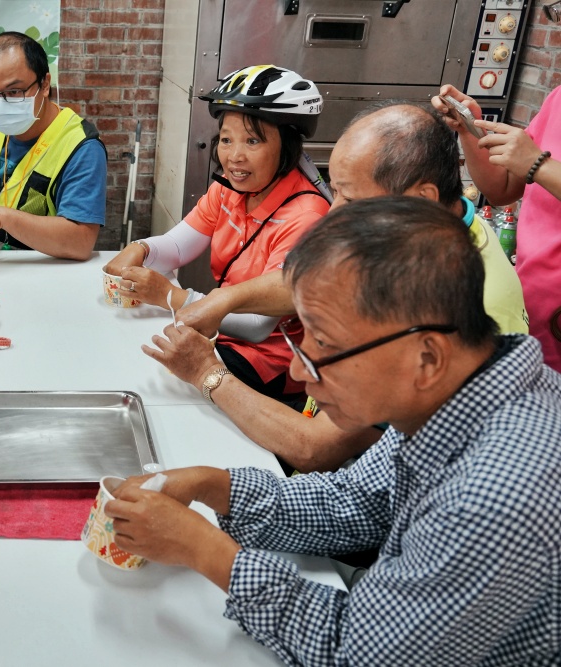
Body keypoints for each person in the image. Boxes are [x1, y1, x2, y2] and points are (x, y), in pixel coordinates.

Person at [106, 196, 561, 665]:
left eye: (325, 348)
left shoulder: (501, 490)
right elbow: (353, 501)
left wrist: (203, 549)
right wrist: (212, 486)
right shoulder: (454, 393)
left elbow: (358, 652)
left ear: (426, 358)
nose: (300, 375)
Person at [151, 101, 529, 473]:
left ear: (420, 199)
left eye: (350, 198)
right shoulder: (428, 227)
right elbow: (306, 274)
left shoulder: (458, 306)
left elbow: (316, 448)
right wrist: (227, 297)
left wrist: (206, 373)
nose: (333, 215)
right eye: (336, 193)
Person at [105, 65, 330, 404]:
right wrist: (140, 249)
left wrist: (170, 296)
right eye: (226, 139)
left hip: (271, 362)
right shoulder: (231, 188)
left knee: (161, 391)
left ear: (287, 146)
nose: (234, 156)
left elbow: (257, 325)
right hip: (219, 334)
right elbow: (179, 246)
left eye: (252, 141)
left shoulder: (306, 214)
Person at [0, 31, 106, 260]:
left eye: (14, 92)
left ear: (44, 84)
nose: (0, 104)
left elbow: (80, 242)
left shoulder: (81, 146)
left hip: (42, 263)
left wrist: (4, 218)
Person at [433, 84, 561, 373]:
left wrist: (538, 164)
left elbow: (533, 165)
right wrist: (469, 129)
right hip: (530, 306)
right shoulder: (558, 99)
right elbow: (502, 188)